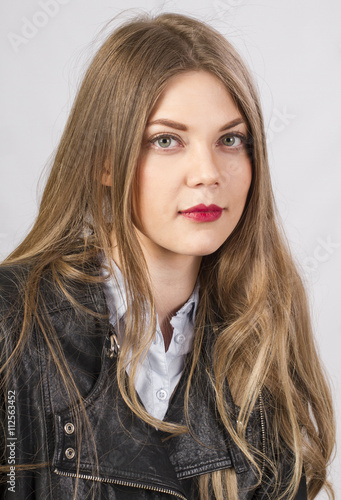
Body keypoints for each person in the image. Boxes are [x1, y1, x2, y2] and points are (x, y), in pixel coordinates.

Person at [0, 12, 335, 500]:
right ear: (105, 162)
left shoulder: (261, 332)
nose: (207, 173)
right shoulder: (13, 319)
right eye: (166, 140)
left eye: (230, 139)